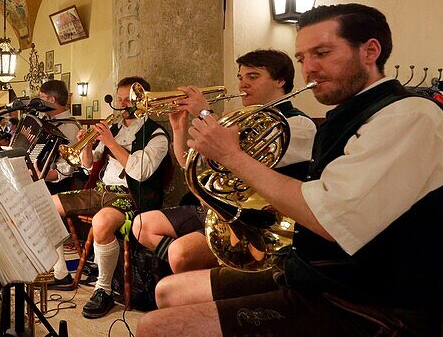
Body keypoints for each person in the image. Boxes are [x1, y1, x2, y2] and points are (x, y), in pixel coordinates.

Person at [135, 4, 443, 337]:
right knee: (169, 290)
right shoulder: (356, 114)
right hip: (321, 278)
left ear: (371, 51)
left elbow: (328, 217)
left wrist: (235, 157)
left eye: (322, 53)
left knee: (155, 336)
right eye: (303, 56)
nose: (309, 68)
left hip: (376, 316)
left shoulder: (409, 118)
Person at [130, 50, 317, 275]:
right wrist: (179, 129)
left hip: (253, 218)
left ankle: (197, 276)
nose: (242, 85)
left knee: (180, 254)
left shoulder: (298, 124)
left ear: (280, 80)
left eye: (253, 76)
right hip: (215, 207)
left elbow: (241, 163)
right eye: (240, 78)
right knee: (141, 225)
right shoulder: (243, 117)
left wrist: (205, 113)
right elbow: (190, 165)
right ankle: (201, 269)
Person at [50, 76, 170, 319]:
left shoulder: (156, 135)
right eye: (120, 100)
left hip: (133, 196)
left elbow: (139, 171)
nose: (123, 105)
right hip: (102, 189)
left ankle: (103, 290)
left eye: (129, 100)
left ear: (144, 101)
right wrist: (85, 144)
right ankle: (61, 271)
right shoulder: (114, 127)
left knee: (102, 222)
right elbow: (86, 164)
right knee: (48, 205)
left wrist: (111, 142)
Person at [33, 79, 81, 194]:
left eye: (42, 98)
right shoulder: (43, 119)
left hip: (55, 186)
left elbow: (70, 162)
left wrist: (47, 174)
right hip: (36, 178)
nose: (40, 102)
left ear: (52, 99)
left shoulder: (71, 126)